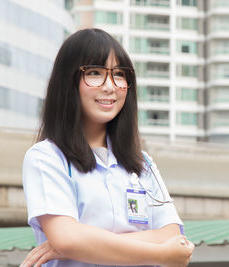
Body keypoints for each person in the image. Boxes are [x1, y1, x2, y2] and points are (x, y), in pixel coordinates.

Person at [20, 28, 194, 267]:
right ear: (67, 81)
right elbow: (67, 238)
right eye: (94, 72)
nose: (110, 86)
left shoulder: (144, 164)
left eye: (119, 74)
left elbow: (174, 237)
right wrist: (160, 254)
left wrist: (86, 241)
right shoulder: (46, 158)